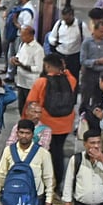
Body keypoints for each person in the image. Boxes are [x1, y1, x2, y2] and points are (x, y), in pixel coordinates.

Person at [26, 55, 78, 191]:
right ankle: (58, 181)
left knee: (45, 153)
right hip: (66, 123)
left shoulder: (41, 82)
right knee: (58, 152)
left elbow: (31, 102)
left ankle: (45, 181)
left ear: (47, 66)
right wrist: (64, 69)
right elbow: (69, 74)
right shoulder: (70, 80)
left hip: (47, 123)